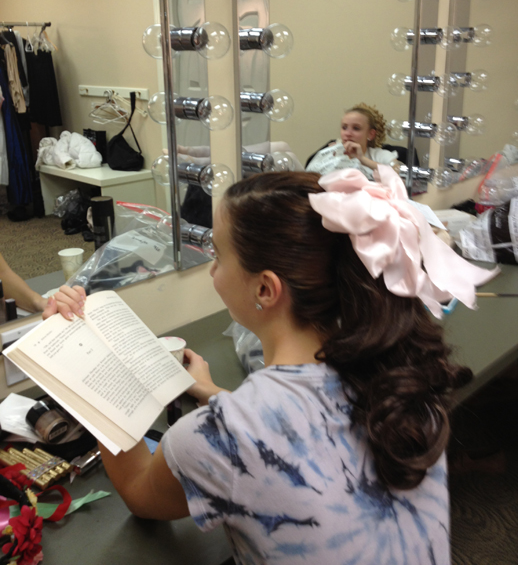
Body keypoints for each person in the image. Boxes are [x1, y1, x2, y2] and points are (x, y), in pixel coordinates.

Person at [44, 168, 497, 565]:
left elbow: (141, 494)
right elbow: (304, 435)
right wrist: (211, 392)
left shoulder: (224, 434)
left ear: (265, 289)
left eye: (218, 257)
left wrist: (88, 367)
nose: (211, 272)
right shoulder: (400, 374)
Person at [306, 103, 398, 179]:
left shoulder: (379, 155)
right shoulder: (331, 152)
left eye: (356, 128)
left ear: (371, 134)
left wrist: (362, 159)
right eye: (344, 127)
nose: (348, 133)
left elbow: (400, 175)